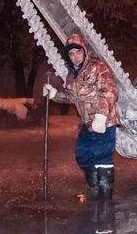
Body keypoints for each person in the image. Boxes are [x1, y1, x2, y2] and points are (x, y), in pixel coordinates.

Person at [43, 33, 120, 202]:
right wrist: (55, 94)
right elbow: (73, 97)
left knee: (101, 157)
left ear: (84, 51)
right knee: (83, 154)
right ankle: (94, 187)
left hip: (104, 121)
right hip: (87, 123)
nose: (75, 57)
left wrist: (101, 116)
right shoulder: (72, 76)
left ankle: (105, 198)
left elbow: (109, 90)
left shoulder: (98, 66)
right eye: (71, 54)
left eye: (78, 52)